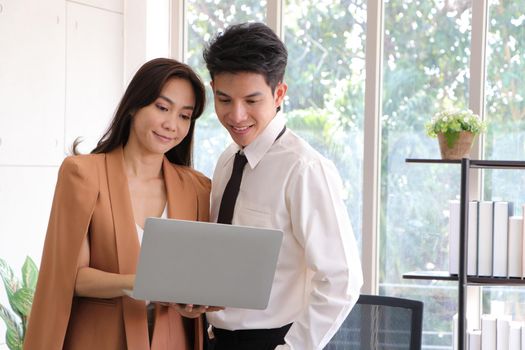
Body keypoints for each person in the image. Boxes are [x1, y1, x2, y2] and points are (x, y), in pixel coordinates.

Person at [24, 58, 217, 350]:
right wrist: (143, 284)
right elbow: (73, 277)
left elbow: (190, 279)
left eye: (184, 116)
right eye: (162, 108)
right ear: (134, 106)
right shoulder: (82, 174)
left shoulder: (197, 188)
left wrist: (191, 304)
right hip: (100, 339)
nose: (171, 125)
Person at [203, 22, 363, 350]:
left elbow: (342, 280)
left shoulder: (304, 168)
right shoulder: (227, 161)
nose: (236, 115)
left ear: (279, 94)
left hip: (273, 341)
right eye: (224, 99)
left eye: (251, 100)